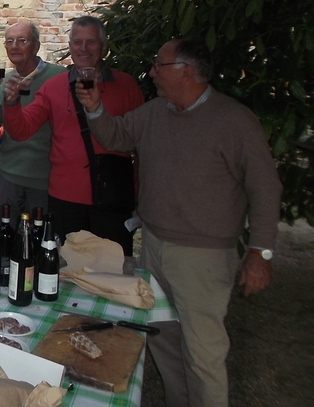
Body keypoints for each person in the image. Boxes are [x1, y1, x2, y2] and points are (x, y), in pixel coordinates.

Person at [76, 38, 282, 407]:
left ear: (185, 72)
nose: (152, 72)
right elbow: (118, 135)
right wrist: (94, 109)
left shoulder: (234, 121)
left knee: (204, 354)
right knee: (162, 338)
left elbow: (266, 188)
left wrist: (260, 253)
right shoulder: (156, 111)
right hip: (154, 247)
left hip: (203, 259)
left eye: (159, 65)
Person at [2, 16, 144, 254]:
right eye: (77, 42)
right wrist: (12, 102)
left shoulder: (126, 86)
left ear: (103, 46)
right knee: (64, 271)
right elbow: (21, 131)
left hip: (113, 197)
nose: (84, 49)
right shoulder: (54, 87)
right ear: (70, 46)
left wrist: (139, 197)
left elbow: (143, 147)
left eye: (91, 42)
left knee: (112, 270)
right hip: (65, 198)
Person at [0, 22, 65, 224]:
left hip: (45, 177)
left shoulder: (59, 77)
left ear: (36, 46)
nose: (14, 46)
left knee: (41, 238)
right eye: (9, 41)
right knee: (8, 237)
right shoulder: (5, 81)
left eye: (22, 40)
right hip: (10, 175)